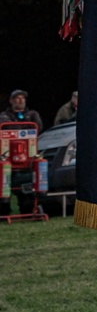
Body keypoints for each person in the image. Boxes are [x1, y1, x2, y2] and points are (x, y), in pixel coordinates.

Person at [0, 89, 44, 217]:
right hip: (8, 157)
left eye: (22, 98)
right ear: (11, 101)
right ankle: (4, 212)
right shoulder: (4, 116)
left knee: (27, 187)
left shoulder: (32, 114)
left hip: (27, 158)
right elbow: (5, 128)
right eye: (17, 98)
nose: (20, 101)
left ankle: (29, 210)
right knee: (4, 186)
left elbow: (38, 127)